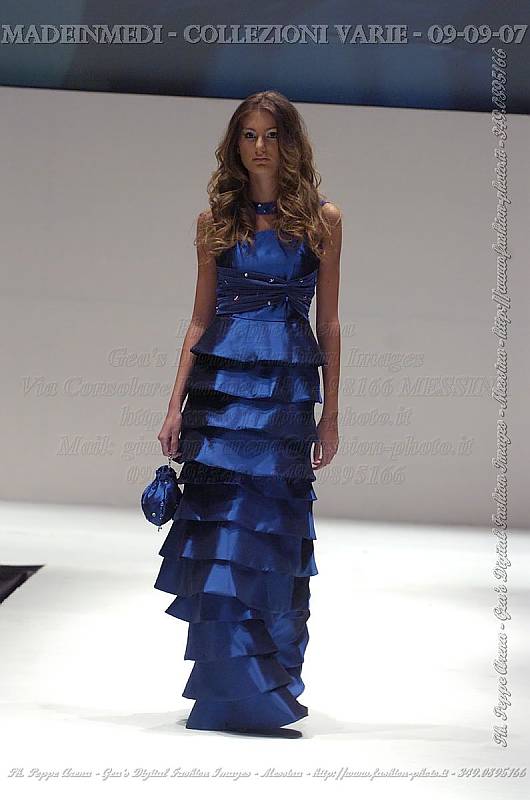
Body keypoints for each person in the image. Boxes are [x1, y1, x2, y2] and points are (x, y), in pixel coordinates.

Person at [154, 90, 341, 737]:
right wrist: (174, 407)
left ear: (291, 142)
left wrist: (331, 415)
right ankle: (229, 691)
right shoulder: (215, 221)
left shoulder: (322, 220)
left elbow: (330, 323)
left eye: (271, 134)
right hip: (221, 396)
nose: (260, 147)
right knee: (220, 534)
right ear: (235, 144)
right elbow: (198, 319)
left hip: (285, 397)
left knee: (275, 530)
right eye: (249, 135)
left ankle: (268, 684)